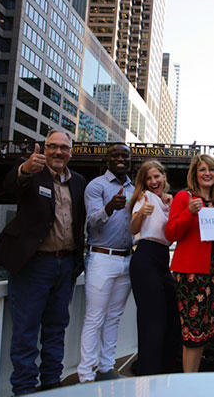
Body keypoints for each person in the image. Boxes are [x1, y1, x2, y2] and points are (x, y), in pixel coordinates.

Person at [0, 130, 86, 395]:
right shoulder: (33, 173)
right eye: (52, 147)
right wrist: (24, 169)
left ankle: (52, 384)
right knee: (26, 330)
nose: (57, 152)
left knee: (56, 328)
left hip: (65, 266)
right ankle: (24, 389)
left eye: (63, 148)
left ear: (70, 153)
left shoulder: (78, 181)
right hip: (33, 265)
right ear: (44, 148)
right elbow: (9, 184)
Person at [165, 154, 214, 372]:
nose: (207, 173)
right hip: (191, 275)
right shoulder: (184, 198)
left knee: (204, 333)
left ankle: (192, 378)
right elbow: (170, 233)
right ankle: (189, 382)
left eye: (211, 170)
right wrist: (189, 213)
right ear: (194, 174)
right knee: (192, 334)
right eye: (202, 169)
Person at [77, 143, 134, 382]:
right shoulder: (96, 186)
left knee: (114, 317)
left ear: (130, 160)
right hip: (101, 257)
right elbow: (91, 223)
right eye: (115, 155)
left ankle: (106, 368)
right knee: (95, 317)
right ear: (107, 159)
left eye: (124, 155)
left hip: (126, 258)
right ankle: (85, 374)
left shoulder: (135, 188)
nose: (120, 159)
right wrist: (109, 208)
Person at [129, 160, 179, 375]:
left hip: (162, 260)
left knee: (171, 315)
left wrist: (168, 204)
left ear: (164, 177)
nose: (153, 181)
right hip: (146, 256)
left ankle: (166, 367)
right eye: (148, 178)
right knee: (152, 319)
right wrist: (142, 213)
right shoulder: (145, 198)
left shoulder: (167, 201)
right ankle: (148, 372)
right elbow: (133, 227)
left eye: (156, 177)